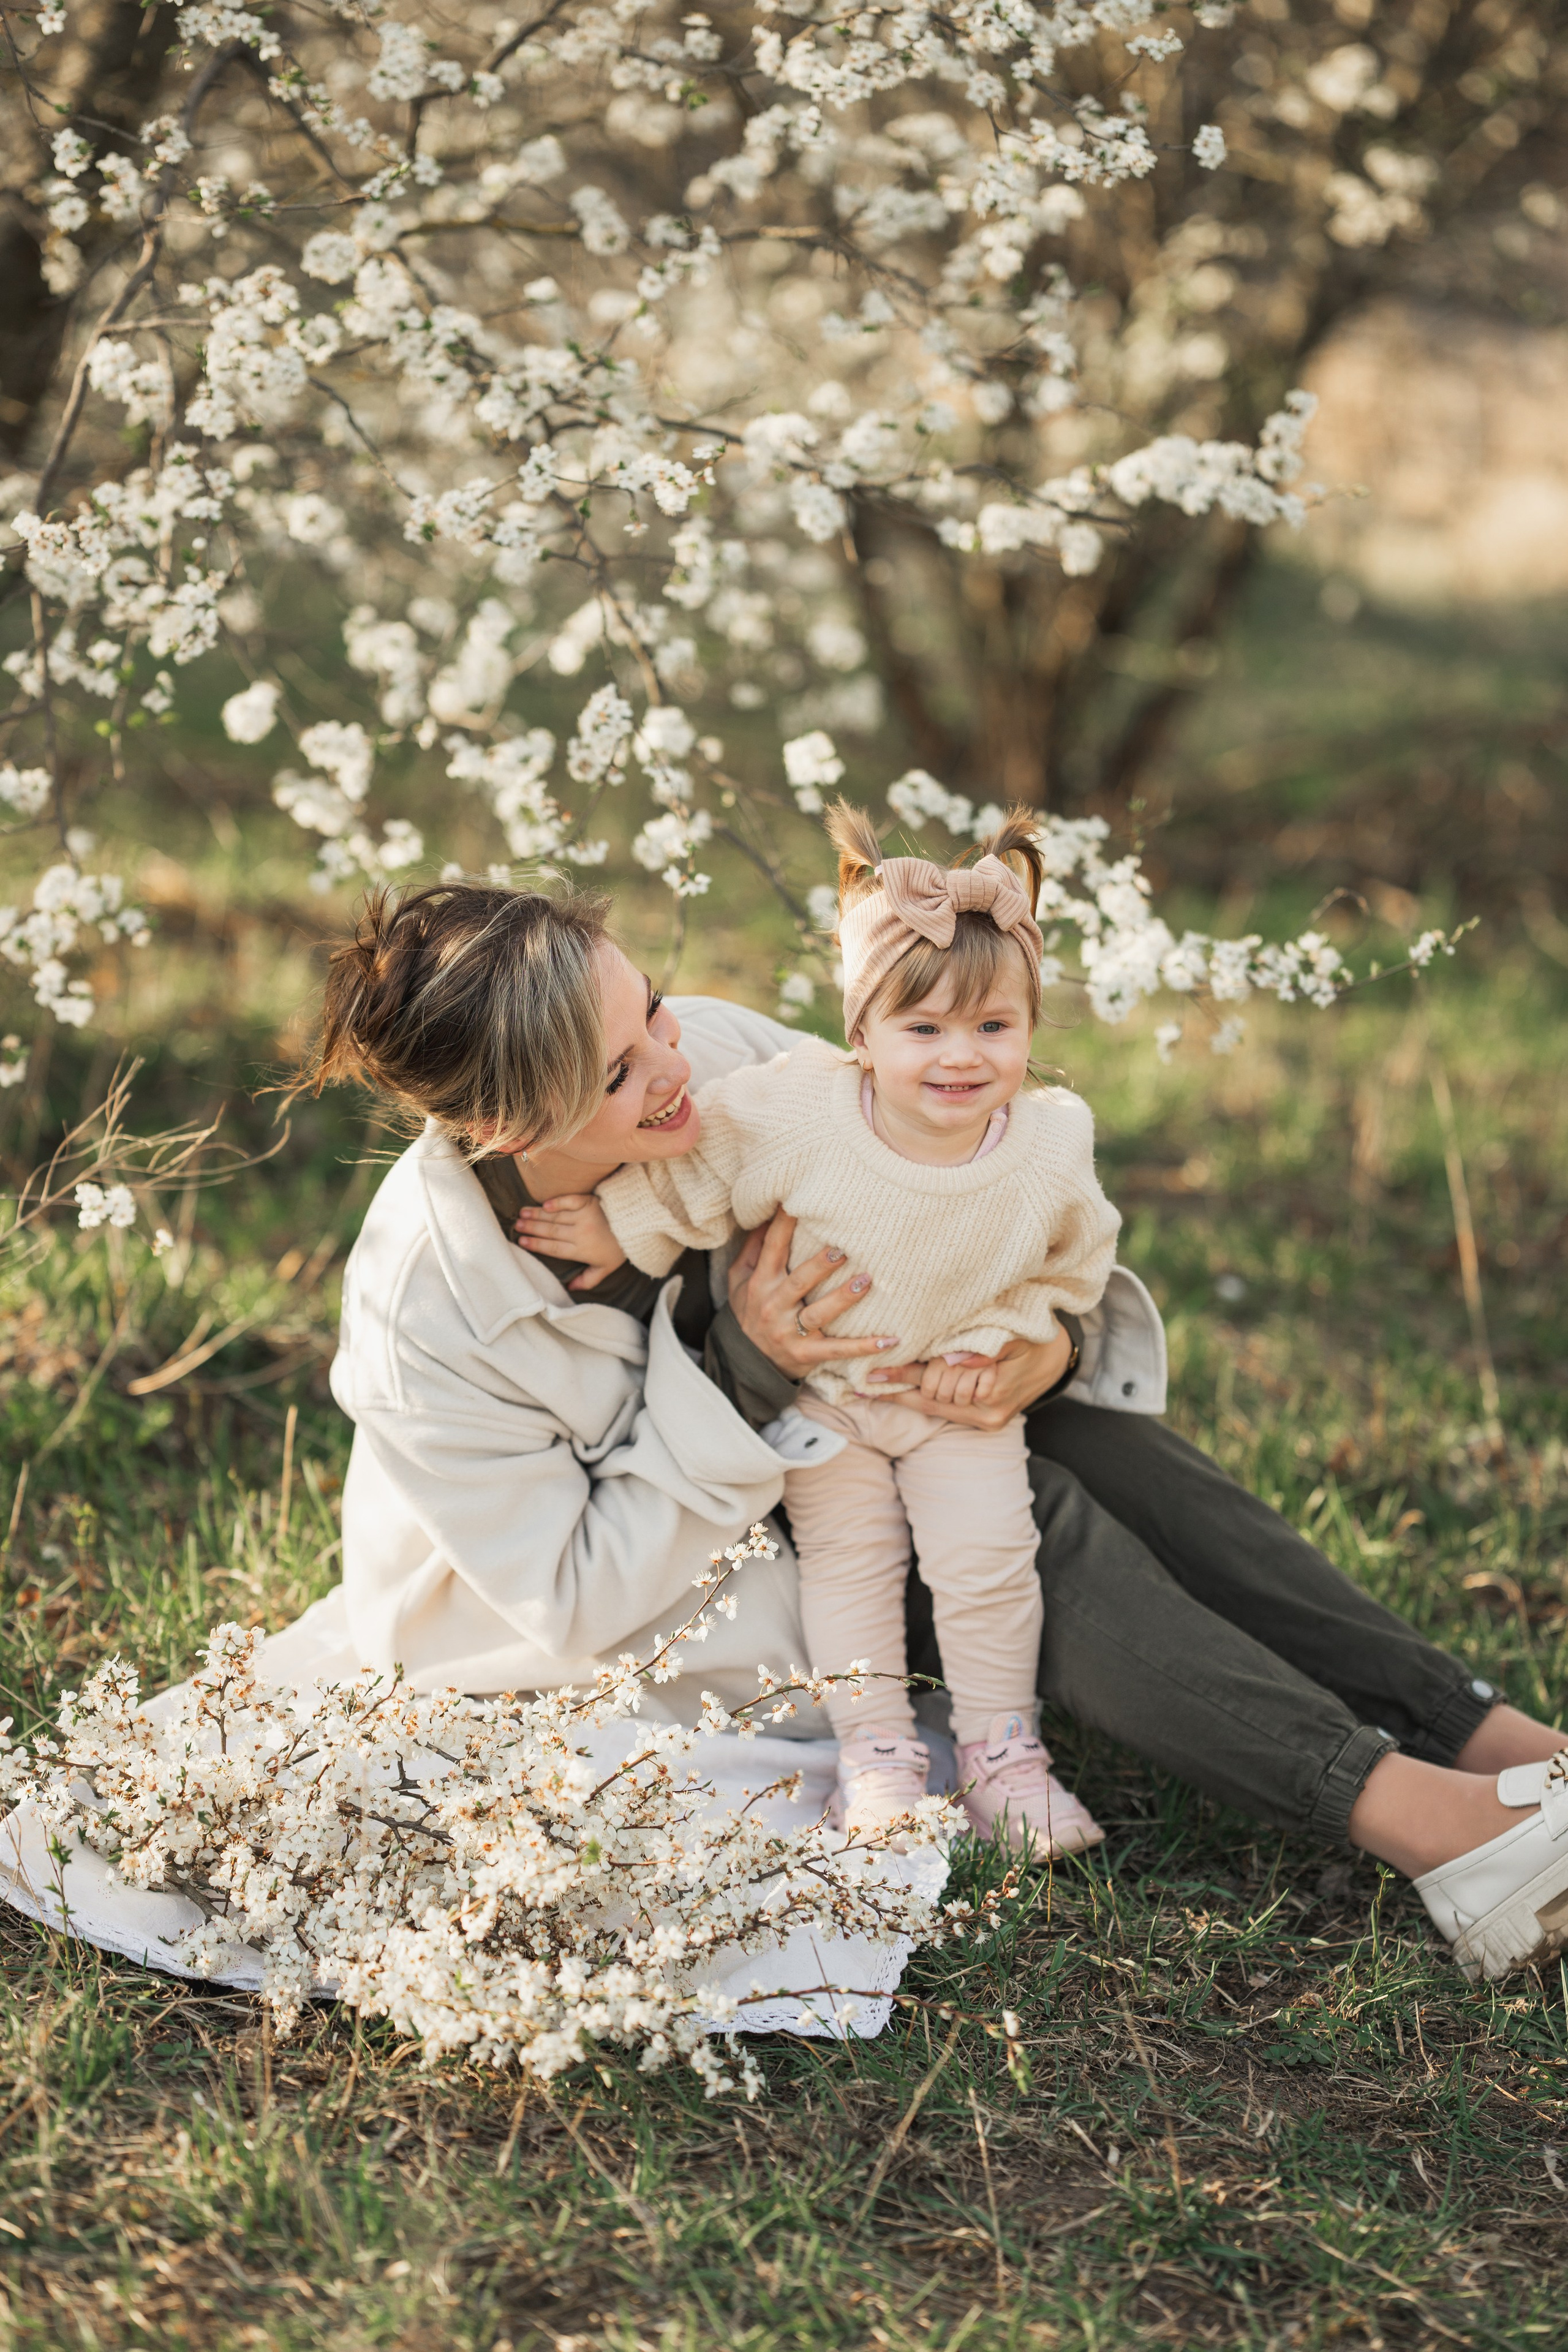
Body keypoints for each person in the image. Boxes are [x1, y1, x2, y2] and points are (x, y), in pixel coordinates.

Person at [312, 875, 1567, 1986]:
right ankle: (1428, 1824)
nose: (673, 1057)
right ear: (504, 1131)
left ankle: (1496, 1741)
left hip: (844, 1433)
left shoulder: (733, 1070)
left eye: (649, 1005)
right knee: (1018, 1521)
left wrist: (1046, 1350)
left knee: (1074, 1436)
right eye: (619, 1069)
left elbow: (954, 1198)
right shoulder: (428, 1311)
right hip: (646, 1597)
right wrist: (750, 1369)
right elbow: (576, 1596)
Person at [514, 805, 1117, 1853]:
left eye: (994, 1028)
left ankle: (1002, 1757)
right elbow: (702, 1174)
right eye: (921, 1030)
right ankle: (878, 1754)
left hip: (952, 1401)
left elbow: (1079, 1261)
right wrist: (621, 1225)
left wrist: (1024, 1337)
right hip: (828, 1402)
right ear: (862, 1034)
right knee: (850, 1571)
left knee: (988, 1564)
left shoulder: (1051, 1143)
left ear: (1030, 1027)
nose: (959, 1059)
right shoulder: (802, 1111)